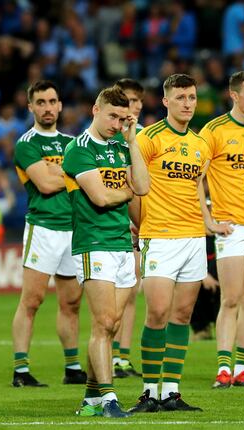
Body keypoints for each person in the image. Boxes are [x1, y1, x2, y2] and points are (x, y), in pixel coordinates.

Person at [62, 86, 150, 417]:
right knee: (105, 320)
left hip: (123, 246)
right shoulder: (78, 149)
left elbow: (142, 187)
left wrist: (131, 142)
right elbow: (100, 198)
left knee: (110, 326)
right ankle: (110, 399)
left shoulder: (120, 147)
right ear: (94, 109)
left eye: (122, 118)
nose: (116, 123)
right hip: (93, 243)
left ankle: (90, 397)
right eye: (111, 115)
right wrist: (125, 191)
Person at [128, 74, 210, 412]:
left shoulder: (200, 144)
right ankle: (149, 391)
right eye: (180, 98)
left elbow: (198, 187)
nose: (187, 104)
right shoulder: (148, 139)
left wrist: (207, 224)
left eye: (191, 97)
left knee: (182, 314)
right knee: (158, 312)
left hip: (193, 237)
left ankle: (171, 392)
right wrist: (138, 224)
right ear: (165, 102)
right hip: (159, 236)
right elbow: (135, 184)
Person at [198, 71, 244, 388]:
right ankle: (223, 369)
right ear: (234, 95)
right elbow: (195, 178)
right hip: (230, 226)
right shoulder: (213, 130)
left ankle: (242, 368)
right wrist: (208, 220)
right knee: (230, 299)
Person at [11, 80, 86, 388]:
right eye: (40, 102)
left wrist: (61, 174)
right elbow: (45, 184)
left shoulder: (72, 142)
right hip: (43, 228)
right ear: (30, 107)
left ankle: (72, 367)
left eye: (52, 101)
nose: (47, 107)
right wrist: (71, 175)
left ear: (60, 105)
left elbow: (71, 177)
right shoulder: (26, 143)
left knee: (71, 303)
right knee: (32, 300)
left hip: (73, 229)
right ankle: (21, 371)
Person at [111, 78, 145, 378]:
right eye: (126, 101)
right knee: (110, 294)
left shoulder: (143, 137)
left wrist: (142, 220)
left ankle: (121, 357)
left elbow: (148, 183)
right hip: (112, 220)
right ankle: (109, 353)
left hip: (137, 222)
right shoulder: (106, 134)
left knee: (131, 290)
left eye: (135, 102)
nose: (131, 107)